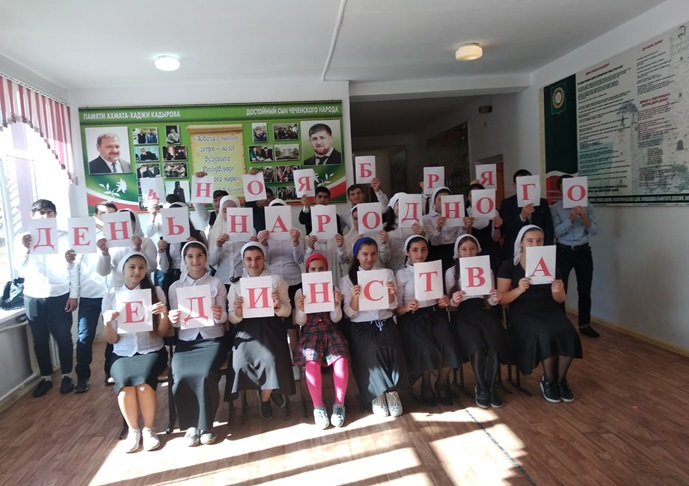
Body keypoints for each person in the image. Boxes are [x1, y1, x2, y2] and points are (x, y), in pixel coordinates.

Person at [497, 225, 583, 404]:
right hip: (523, 313)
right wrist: (519, 289)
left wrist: (557, 290)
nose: (535, 245)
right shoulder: (509, 266)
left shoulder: (550, 264)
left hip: (549, 309)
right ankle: (549, 380)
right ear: (521, 243)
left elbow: (560, 299)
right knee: (545, 334)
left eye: (539, 241)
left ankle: (561, 380)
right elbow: (501, 299)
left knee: (568, 332)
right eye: (530, 241)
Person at [102, 252, 170, 452]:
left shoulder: (155, 292)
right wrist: (107, 323)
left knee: (143, 382)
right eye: (131, 267)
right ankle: (133, 430)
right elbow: (112, 340)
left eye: (141, 267)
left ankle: (149, 429)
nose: (136, 271)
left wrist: (164, 315)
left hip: (152, 350)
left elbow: (162, 333)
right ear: (123, 270)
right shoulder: (111, 296)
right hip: (122, 352)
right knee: (125, 385)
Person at [16, 199, 79, 397]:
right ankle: (46, 378)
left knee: (63, 337)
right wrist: (26, 249)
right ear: (32, 216)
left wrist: (74, 295)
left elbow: (74, 267)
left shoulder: (65, 237)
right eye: (40, 213)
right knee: (40, 340)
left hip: (60, 294)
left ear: (55, 216)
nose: (45, 216)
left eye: (49, 213)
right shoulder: (22, 238)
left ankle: (67, 376)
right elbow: (19, 270)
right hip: (33, 295)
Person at [226, 243, 296, 419]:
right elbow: (231, 317)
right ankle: (269, 389)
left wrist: (278, 306)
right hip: (246, 330)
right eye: (248, 259)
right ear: (243, 261)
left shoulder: (276, 280)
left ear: (264, 259)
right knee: (239, 363)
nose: (253, 263)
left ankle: (264, 398)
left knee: (271, 361)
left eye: (258, 258)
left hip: (271, 327)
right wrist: (238, 312)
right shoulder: (236, 285)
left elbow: (288, 310)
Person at [340, 237, 409, 417]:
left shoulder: (386, 273)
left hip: (385, 322)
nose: (369, 258)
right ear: (357, 255)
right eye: (365, 254)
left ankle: (392, 392)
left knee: (393, 347)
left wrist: (391, 294)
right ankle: (376, 394)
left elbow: (393, 307)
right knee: (371, 349)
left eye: (373, 254)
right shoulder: (347, 280)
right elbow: (347, 314)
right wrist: (355, 299)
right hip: (361, 326)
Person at [168, 242, 228, 446]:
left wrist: (219, 314)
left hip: (212, 339)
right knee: (180, 375)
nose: (195, 260)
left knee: (205, 374)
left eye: (200, 255)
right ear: (184, 260)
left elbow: (224, 317)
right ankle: (192, 425)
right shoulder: (176, 287)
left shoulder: (216, 283)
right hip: (186, 342)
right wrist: (173, 318)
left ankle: (206, 425)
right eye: (190, 256)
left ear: (206, 257)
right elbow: (176, 323)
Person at [445, 234, 510, 408]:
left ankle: (492, 386)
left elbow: (490, 301)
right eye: (464, 249)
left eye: (472, 249)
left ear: (478, 250)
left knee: (494, 345)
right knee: (477, 347)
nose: (468, 253)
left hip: (483, 312)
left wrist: (495, 298)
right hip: (463, 315)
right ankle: (481, 387)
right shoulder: (451, 272)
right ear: (458, 252)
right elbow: (450, 306)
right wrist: (454, 300)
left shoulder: (487, 270)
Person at [395, 235, 458, 406]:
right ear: (407, 252)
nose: (420, 254)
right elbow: (396, 308)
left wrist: (443, 301)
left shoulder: (435, 270)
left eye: (423, 249)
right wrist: (406, 307)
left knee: (449, 344)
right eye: (415, 250)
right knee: (425, 346)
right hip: (412, 318)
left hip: (434, 314)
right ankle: (426, 383)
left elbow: (441, 298)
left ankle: (441, 383)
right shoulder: (401, 275)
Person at [293, 253, 349, 429]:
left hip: (330, 331)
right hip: (311, 333)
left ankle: (339, 404)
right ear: (307, 271)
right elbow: (300, 321)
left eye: (321, 269)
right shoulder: (301, 291)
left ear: (327, 270)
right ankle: (318, 407)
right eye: (313, 269)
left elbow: (336, 318)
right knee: (311, 362)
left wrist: (336, 304)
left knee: (341, 359)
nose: (317, 272)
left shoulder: (333, 289)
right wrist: (301, 309)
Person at [67, 201, 117, 392]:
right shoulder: (84, 236)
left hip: (114, 294)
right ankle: (82, 377)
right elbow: (74, 267)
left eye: (111, 214)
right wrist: (74, 295)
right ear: (95, 216)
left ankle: (110, 372)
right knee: (84, 337)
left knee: (113, 335)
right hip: (90, 295)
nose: (107, 218)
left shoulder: (120, 237)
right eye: (103, 213)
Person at [551, 174, 600, 338]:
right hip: (563, 251)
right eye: (564, 187)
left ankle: (585, 324)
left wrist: (584, 216)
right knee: (560, 288)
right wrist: (570, 219)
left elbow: (595, 231)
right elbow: (555, 233)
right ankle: (561, 325)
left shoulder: (588, 206)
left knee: (585, 289)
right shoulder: (556, 208)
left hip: (583, 251)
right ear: (560, 190)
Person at [499, 169, 554, 262]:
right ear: (515, 185)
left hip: (539, 249)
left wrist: (548, 251)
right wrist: (521, 217)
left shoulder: (542, 202)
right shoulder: (507, 203)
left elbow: (548, 229)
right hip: (514, 251)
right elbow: (505, 230)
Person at [208, 195, 254, 287]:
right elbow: (211, 262)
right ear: (220, 212)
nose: (229, 214)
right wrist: (218, 246)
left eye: (233, 210)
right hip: (222, 280)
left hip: (245, 279)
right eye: (225, 211)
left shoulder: (250, 230)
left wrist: (254, 244)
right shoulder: (214, 232)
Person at [422, 186, 471, 273]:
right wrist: (438, 228)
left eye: (446, 199)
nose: (443, 203)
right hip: (436, 252)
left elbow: (460, 238)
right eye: (440, 200)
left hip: (454, 250)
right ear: (434, 201)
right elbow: (434, 241)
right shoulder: (427, 219)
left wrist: (465, 228)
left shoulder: (457, 215)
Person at [466, 182, 503, 280]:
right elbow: (464, 238)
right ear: (468, 198)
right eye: (472, 195)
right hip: (472, 254)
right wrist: (468, 226)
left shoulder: (494, 212)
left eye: (479, 195)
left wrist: (497, 227)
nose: (475, 198)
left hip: (491, 253)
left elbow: (496, 239)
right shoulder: (464, 213)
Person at [383, 192, 426, 271]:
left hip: (414, 267)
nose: (401, 208)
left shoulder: (417, 224)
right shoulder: (384, 227)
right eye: (399, 204)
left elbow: (424, 246)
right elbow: (383, 254)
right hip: (393, 266)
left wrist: (422, 234)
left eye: (404, 204)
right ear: (393, 206)